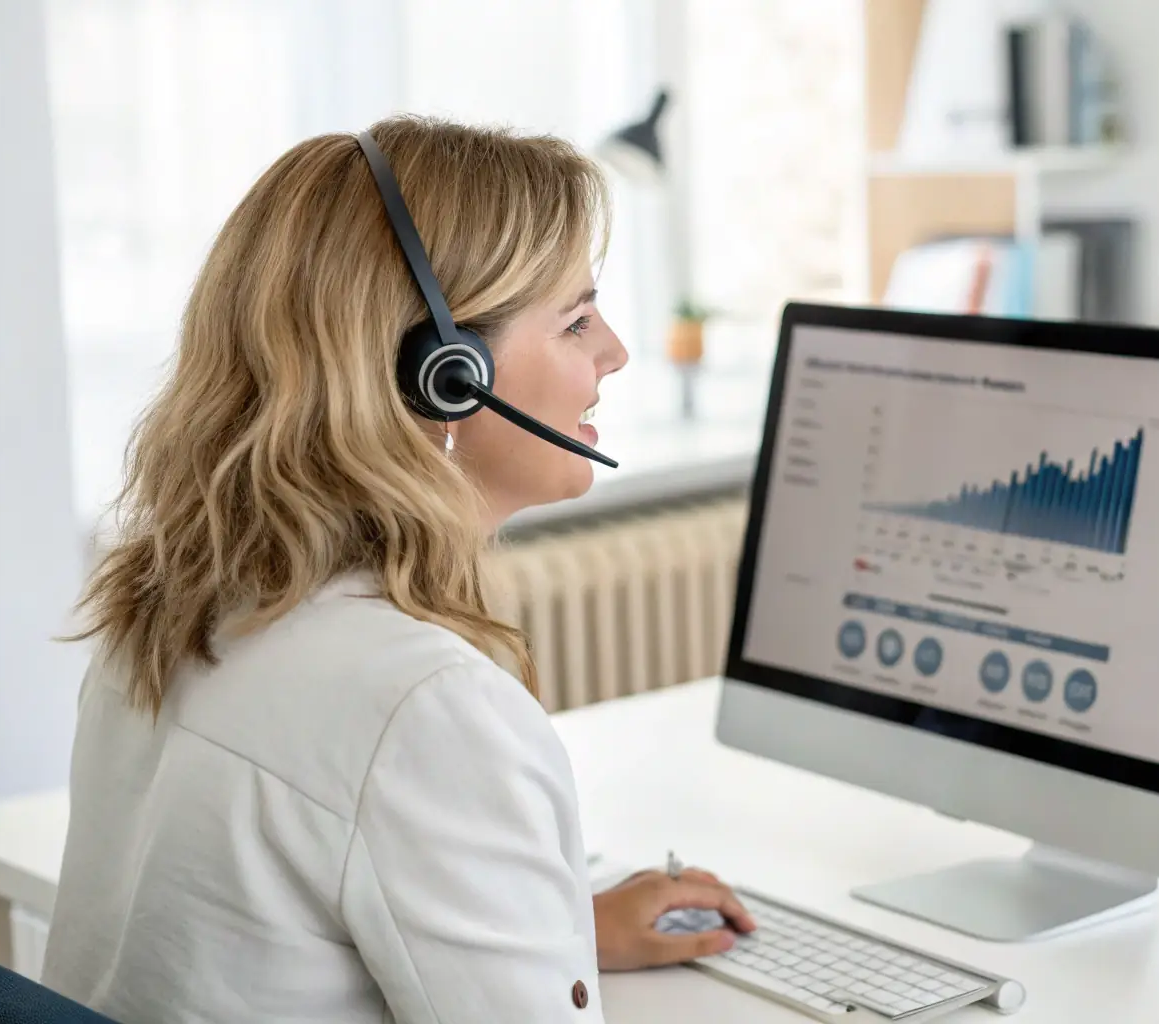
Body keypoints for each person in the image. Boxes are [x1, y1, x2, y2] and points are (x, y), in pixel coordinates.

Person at [39, 114, 754, 1023]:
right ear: (442, 375)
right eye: (575, 320)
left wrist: (554, 926)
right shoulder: (424, 706)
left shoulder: (172, 600)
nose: (613, 351)